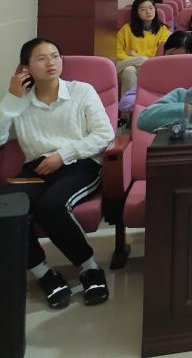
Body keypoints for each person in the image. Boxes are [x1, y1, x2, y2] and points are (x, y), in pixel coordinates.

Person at [1, 39, 115, 308]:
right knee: (7, 210)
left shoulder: (81, 91)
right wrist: (11, 99)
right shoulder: (20, 101)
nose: (51, 63)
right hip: (36, 169)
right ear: (26, 68)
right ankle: (44, 274)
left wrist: (62, 156)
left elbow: (104, 134)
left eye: (55, 56)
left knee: (50, 206)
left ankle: (89, 268)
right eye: (41, 58)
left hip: (79, 163)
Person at [115, 0, 171, 92]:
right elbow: (118, 53)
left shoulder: (163, 30)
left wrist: (136, 55)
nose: (148, 12)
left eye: (151, 8)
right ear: (136, 12)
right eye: (143, 9)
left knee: (129, 70)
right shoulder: (126, 29)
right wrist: (138, 59)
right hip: (124, 64)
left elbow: (159, 53)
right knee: (139, 61)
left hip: (151, 66)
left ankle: (128, 102)